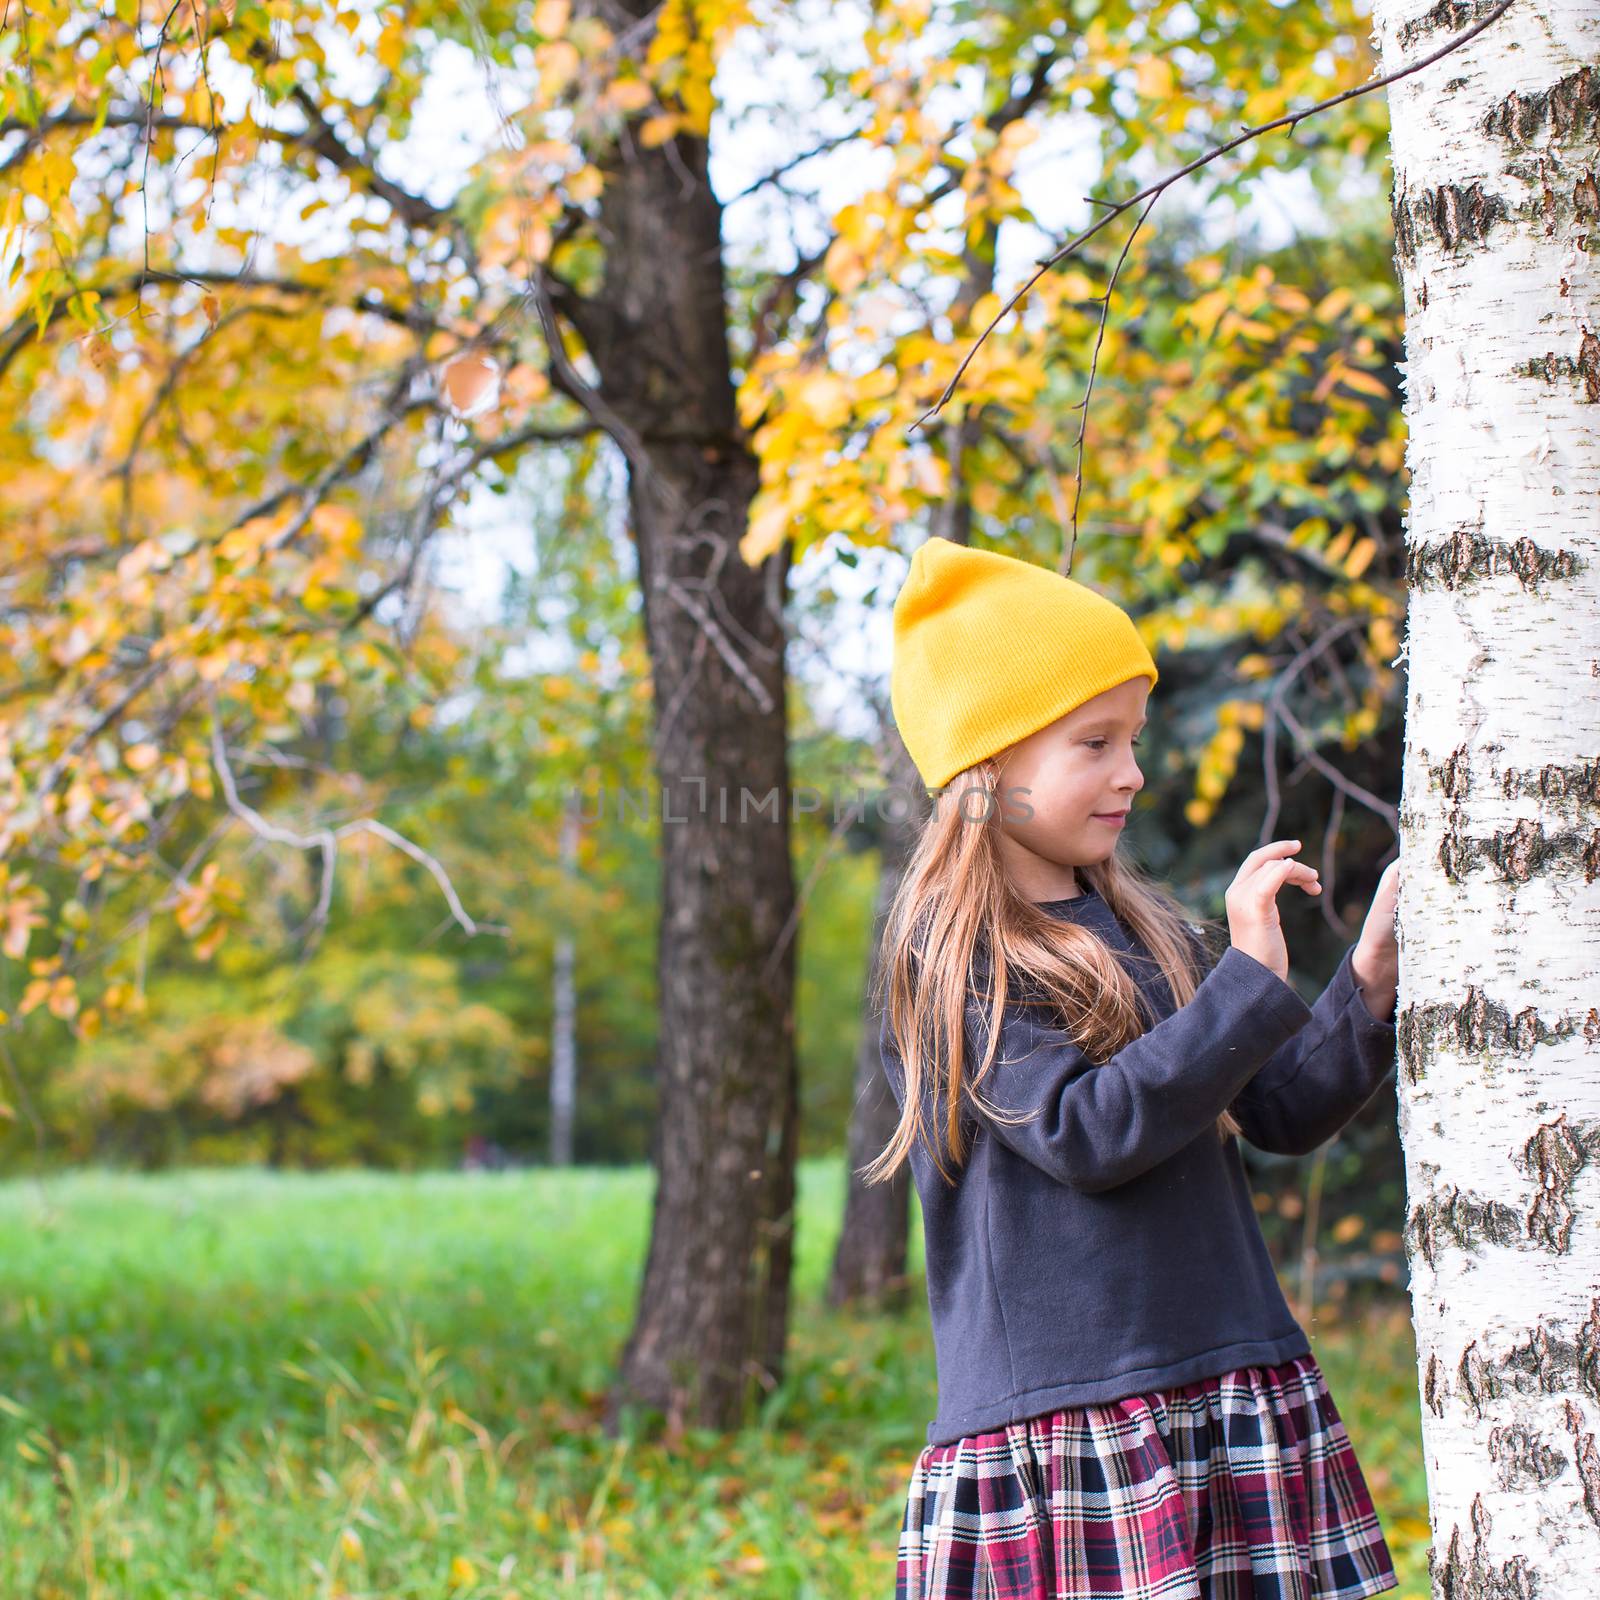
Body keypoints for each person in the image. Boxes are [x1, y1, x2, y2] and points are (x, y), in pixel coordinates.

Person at [865, 537, 1402, 1600]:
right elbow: (1087, 1132)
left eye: (1136, 738)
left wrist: (1369, 981)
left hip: (1218, 1376)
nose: (1132, 772)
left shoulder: (1141, 925)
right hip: (1070, 1424)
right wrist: (1247, 974)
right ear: (992, 766)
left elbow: (1280, 1106)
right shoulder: (956, 957)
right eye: (1094, 742)